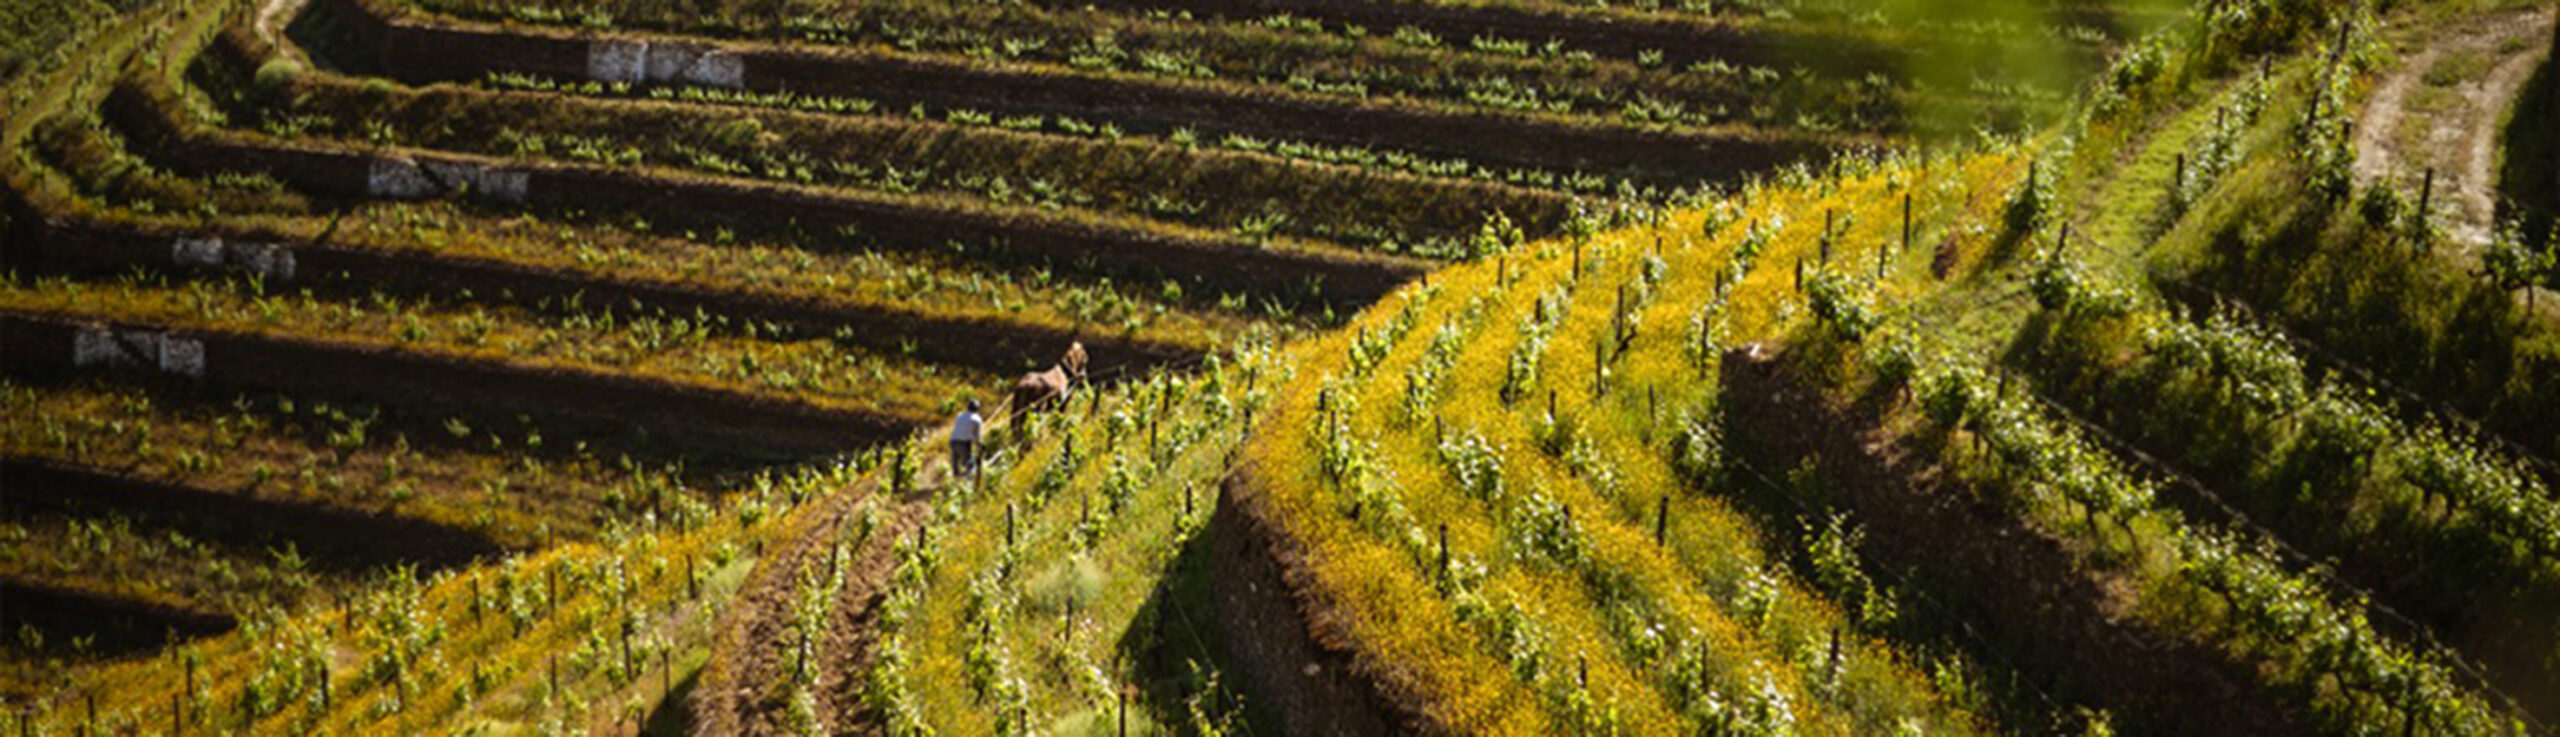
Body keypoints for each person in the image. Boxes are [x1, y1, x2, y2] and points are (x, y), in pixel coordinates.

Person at [950, 399, 984, 477]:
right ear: (977, 409)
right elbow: (977, 435)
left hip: (953, 441)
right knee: (970, 464)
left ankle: (956, 479)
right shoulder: (977, 419)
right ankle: (969, 482)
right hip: (963, 444)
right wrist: (979, 445)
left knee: (955, 464)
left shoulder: (959, 416)